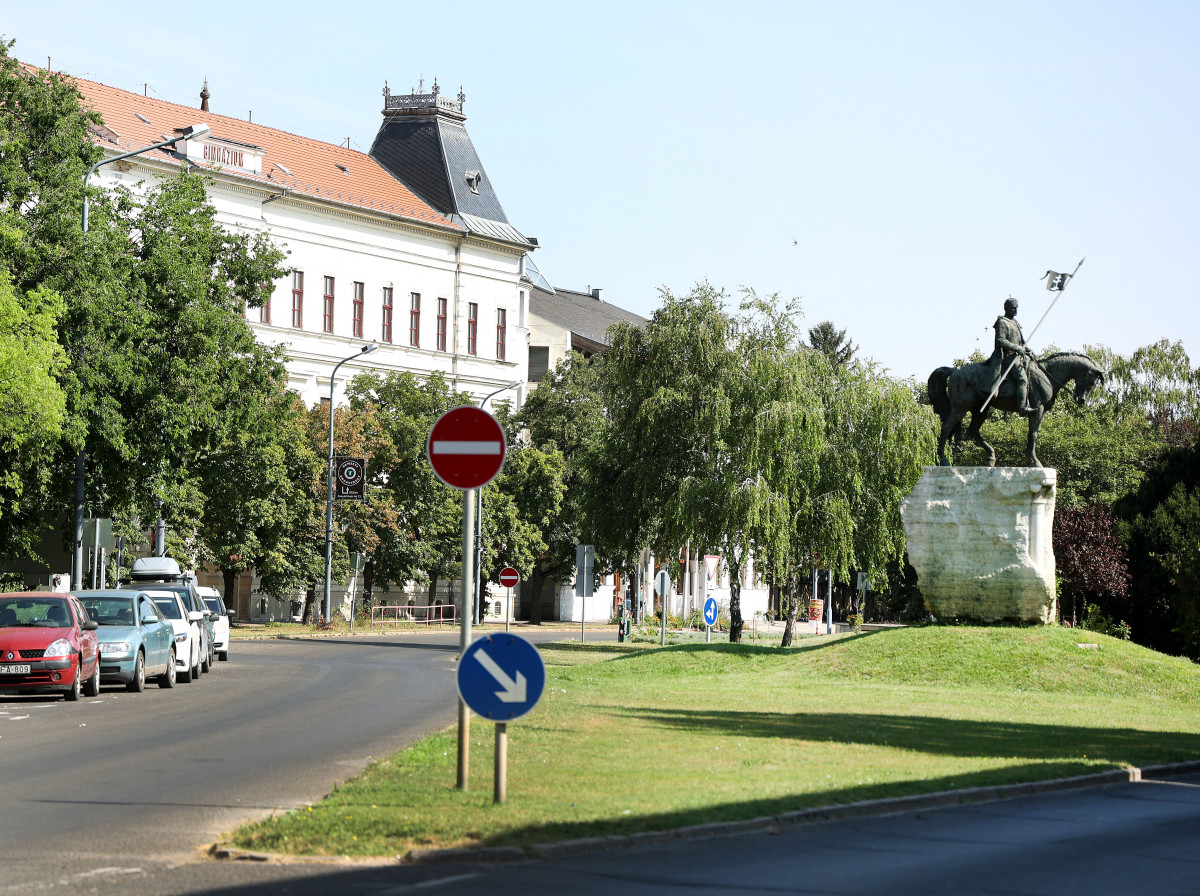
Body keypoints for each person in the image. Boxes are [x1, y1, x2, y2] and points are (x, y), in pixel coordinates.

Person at [990, 297, 1036, 416]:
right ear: (1006, 308)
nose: (1015, 311)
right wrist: (1017, 348)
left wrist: (1028, 350)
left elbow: (1022, 342)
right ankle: (1022, 407)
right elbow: (1000, 341)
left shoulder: (1016, 323)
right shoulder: (1002, 322)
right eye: (1013, 308)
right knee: (1022, 379)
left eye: (1016, 308)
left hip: (1019, 356)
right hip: (1008, 357)